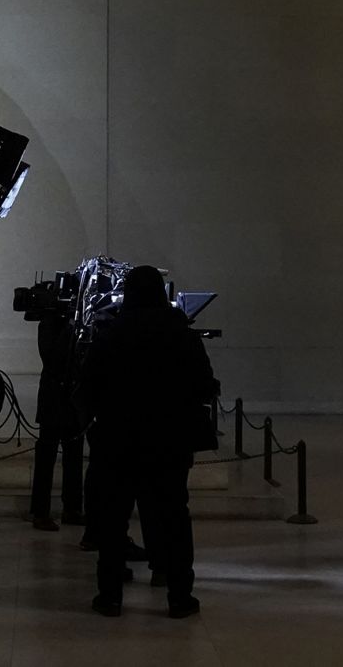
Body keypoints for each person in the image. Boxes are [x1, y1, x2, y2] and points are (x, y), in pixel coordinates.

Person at [84, 265, 217, 620]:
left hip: (118, 440)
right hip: (169, 441)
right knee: (173, 517)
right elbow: (205, 385)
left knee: (113, 521)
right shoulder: (182, 335)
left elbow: (89, 387)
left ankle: (110, 596)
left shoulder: (110, 334)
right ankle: (179, 596)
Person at [29, 305, 84, 531]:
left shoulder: (80, 322)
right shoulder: (49, 322)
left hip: (73, 398)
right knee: (46, 457)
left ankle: (72, 509)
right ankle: (40, 512)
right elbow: (51, 358)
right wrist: (70, 326)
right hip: (54, 398)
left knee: (74, 455)